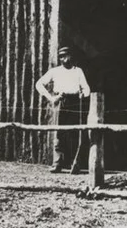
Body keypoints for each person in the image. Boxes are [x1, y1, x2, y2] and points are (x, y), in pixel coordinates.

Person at [36, 45, 91, 174]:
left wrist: (84, 94)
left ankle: (74, 163)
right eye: (61, 56)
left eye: (65, 55)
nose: (63, 58)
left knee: (74, 132)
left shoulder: (78, 71)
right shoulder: (55, 71)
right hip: (61, 101)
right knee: (60, 132)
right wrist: (51, 98)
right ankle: (58, 162)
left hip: (75, 102)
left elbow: (87, 88)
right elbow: (39, 84)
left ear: (71, 56)